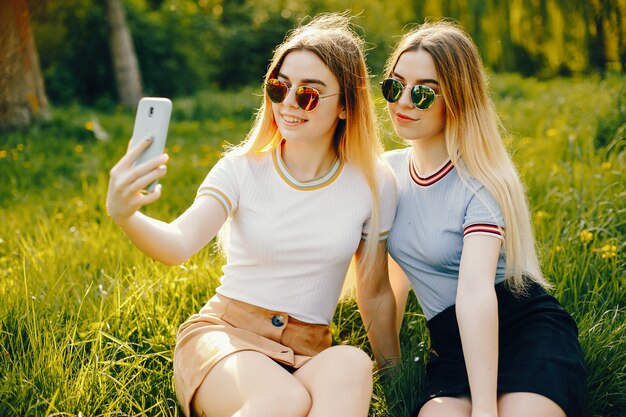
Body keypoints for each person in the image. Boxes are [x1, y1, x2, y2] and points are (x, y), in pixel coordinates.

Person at [106, 13, 400, 417]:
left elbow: (376, 291)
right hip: (225, 338)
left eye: (309, 95)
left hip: (309, 350)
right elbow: (177, 245)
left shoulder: (374, 183)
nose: (289, 104)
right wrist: (126, 216)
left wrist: (398, 374)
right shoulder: (240, 169)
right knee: (284, 400)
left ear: (347, 106)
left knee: (351, 362)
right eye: (280, 87)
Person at [381, 21, 586, 417]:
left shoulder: (481, 183)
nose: (403, 101)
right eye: (394, 85)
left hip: (524, 331)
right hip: (453, 345)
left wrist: (486, 408)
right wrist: (391, 369)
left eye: (423, 92)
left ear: (456, 99)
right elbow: (391, 280)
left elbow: (476, 293)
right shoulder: (385, 176)